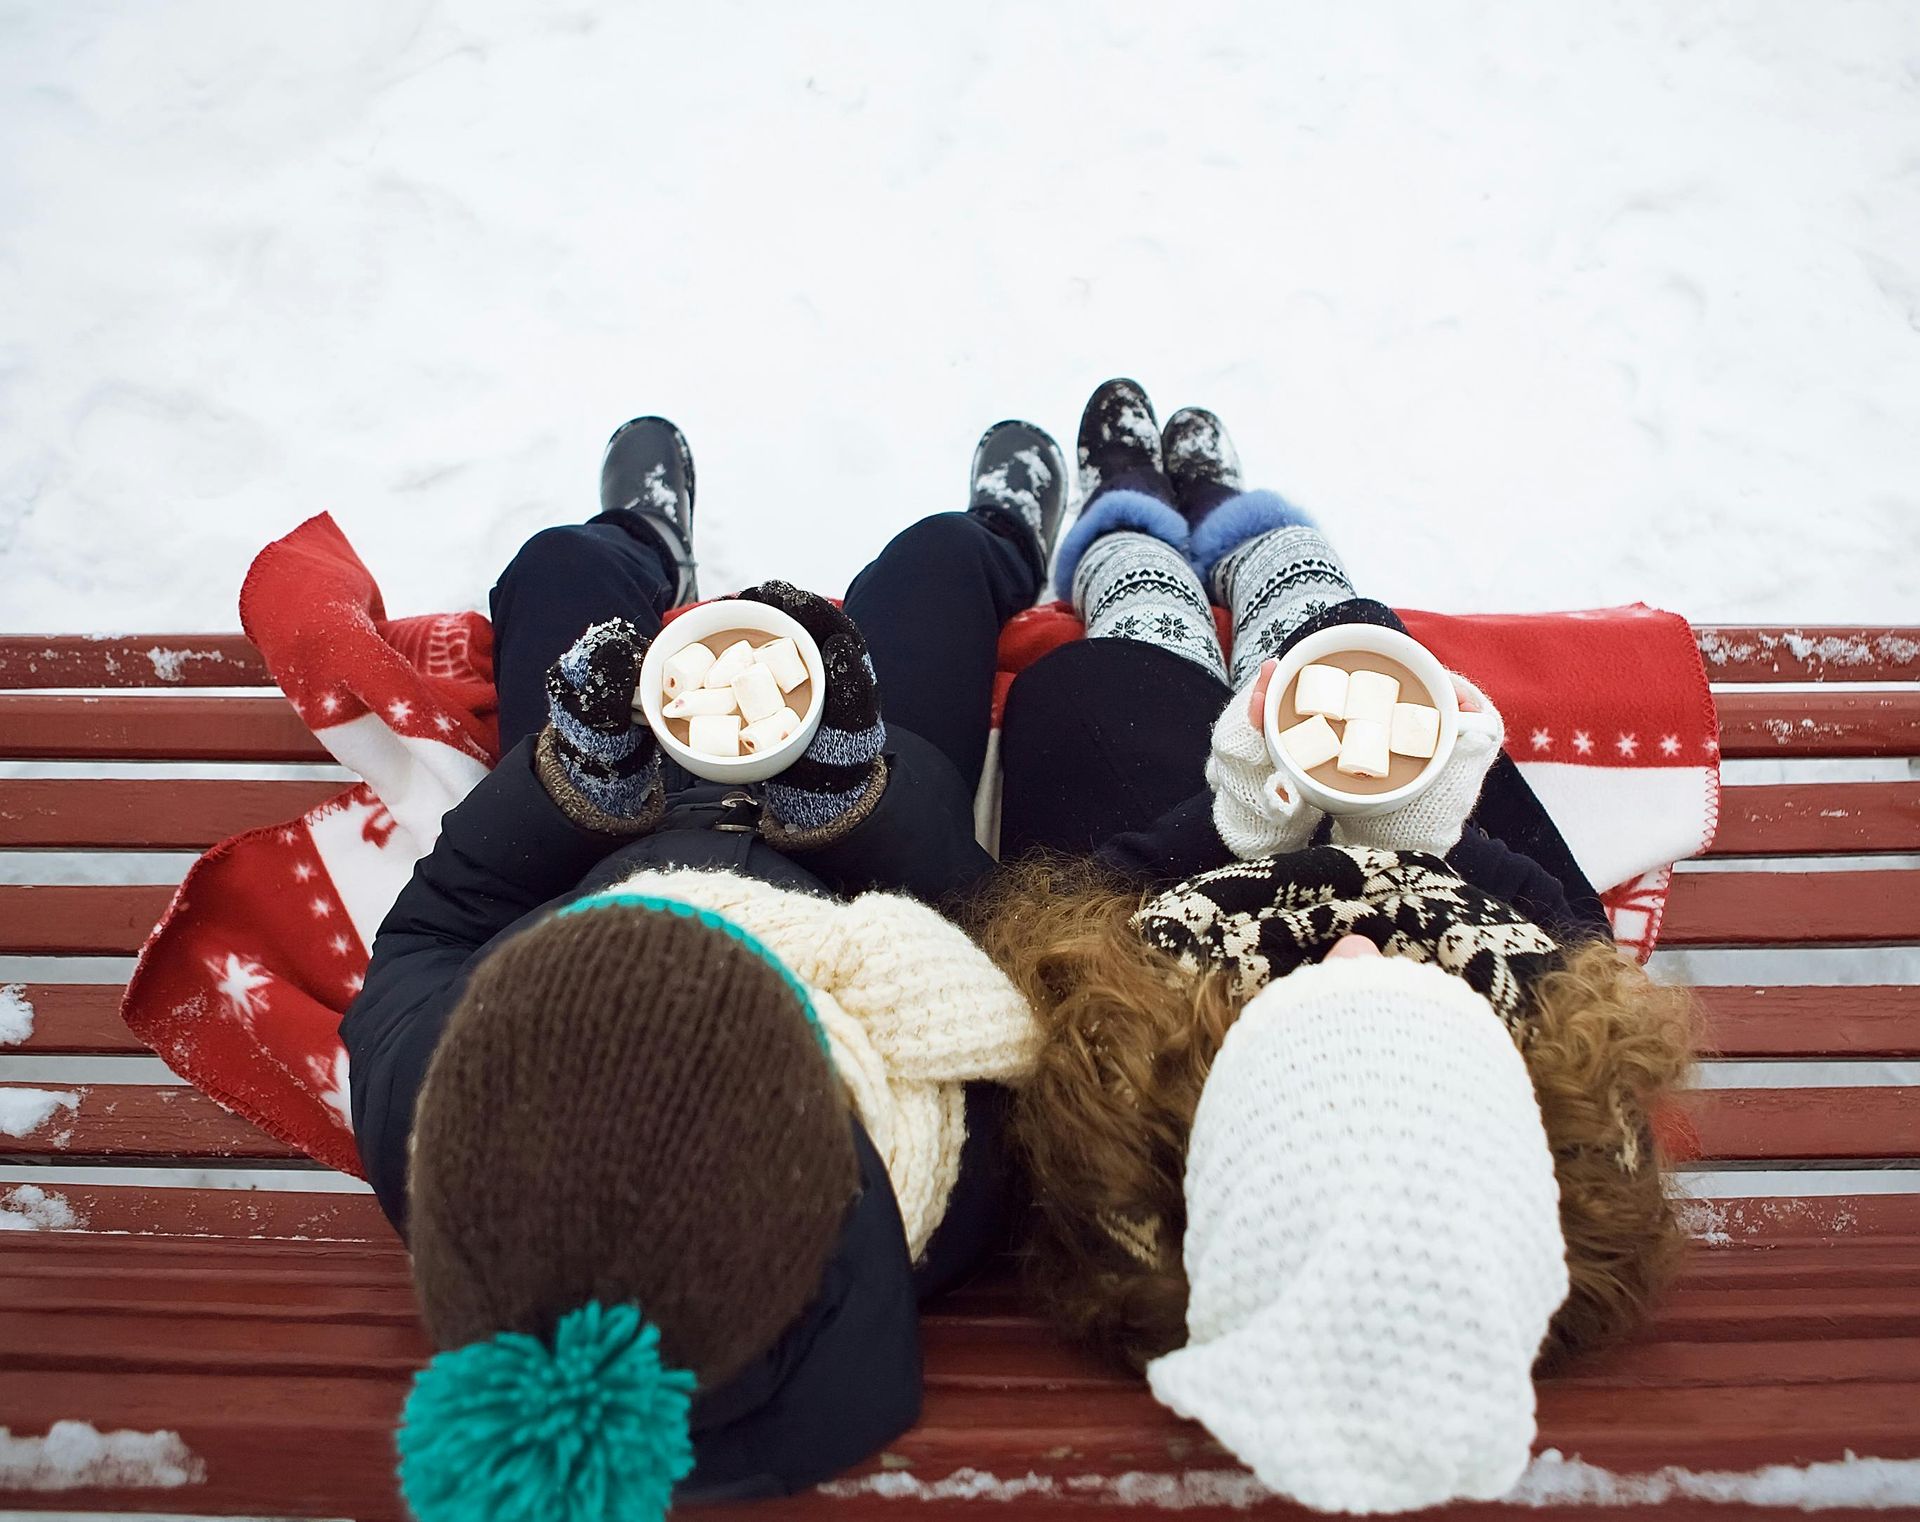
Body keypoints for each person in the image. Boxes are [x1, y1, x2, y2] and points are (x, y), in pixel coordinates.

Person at [973, 380, 1694, 1511]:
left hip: (1185, 915)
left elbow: (1072, 926)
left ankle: (1127, 518)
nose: (1356, 952)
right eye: (1416, 990)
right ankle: (1247, 528)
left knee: (1121, 669)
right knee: (1350, 646)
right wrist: (1430, 839)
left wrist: (1225, 829)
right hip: (1431, 855)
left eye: (1301, 1006)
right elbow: (1560, 924)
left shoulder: (1129, 1100)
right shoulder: (1562, 1073)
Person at [339, 414, 1068, 1520]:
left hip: (618, 804)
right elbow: (1003, 943)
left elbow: (432, 934)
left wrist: (567, 788)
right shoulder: (954, 1169)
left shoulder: (431, 1122)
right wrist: (856, 804)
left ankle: (639, 537)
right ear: (829, 1130)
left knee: (558, 568)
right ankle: (1003, 535)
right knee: (931, 561)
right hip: (856, 827)